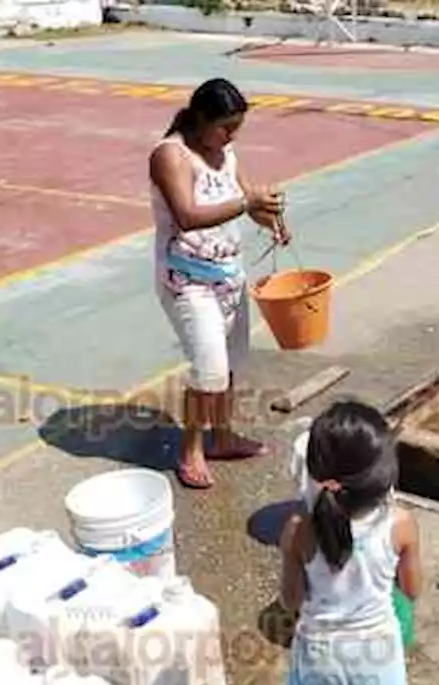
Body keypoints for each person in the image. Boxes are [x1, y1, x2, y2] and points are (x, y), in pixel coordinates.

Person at [150, 77, 291, 489]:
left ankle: (223, 436)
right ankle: (191, 450)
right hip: (187, 280)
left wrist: (271, 220)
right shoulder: (170, 155)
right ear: (199, 118)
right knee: (209, 371)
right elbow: (187, 215)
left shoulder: (225, 152)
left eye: (236, 128)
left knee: (230, 366)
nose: (231, 136)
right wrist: (248, 202)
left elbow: (247, 199)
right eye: (225, 127)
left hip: (228, 275)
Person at [279, 399, 422, 685]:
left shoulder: (297, 529)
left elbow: (291, 601)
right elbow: (412, 590)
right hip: (377, 653)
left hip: (317, 651)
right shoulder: (401, 524)